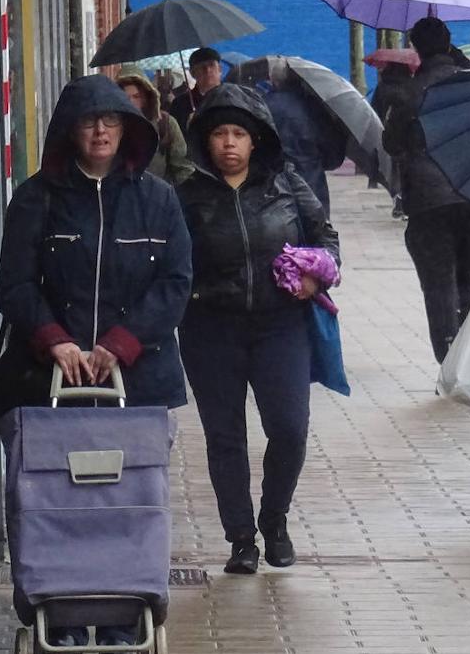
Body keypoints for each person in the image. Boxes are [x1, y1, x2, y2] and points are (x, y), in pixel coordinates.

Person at [0, 74, 193, 648]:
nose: (102, 131)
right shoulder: (37, 198)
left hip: (137, 385)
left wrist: (120, 345)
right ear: (69, 131)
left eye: (112, 121)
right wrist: (56, 339)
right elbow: (14, 285)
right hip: (48, 386)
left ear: (131, 130)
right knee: (51, 504)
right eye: (89, 121)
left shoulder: (158, 200)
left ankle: (120, 612)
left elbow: (175, 284)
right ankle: (55, 609)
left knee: (126, 503)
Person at [176, 83, 340, 575]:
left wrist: (317, 275)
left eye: (239, 134)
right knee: (225, 437)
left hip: (280, 326)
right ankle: (241, 539)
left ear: (256, 140)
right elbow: (168, 263)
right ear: (205, 141)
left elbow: (326, 237)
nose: (229, 143)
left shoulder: (286, 185)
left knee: (289, 429)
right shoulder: (185, 196)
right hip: (211, 330)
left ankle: (274, 520)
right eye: (220, 133)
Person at [380, 17, 470, 363]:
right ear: (449, 44)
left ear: (416, 48)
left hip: (427, 201)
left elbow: (391, 143)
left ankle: (449, 358)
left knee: (438, 286)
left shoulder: (411, 92)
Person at [264, 83, 345, 214]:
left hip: (274, 185)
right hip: (311, 182)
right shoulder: (315, 108)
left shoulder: (263, 104)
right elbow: (333, 151)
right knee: (317, 228)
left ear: (273, 80)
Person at [116, 66, 196, 186]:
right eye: (126, 97)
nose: (131, 102)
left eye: (136, 96)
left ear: (146, 98)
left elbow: (183, 169)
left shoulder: (165, 123)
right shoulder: (108, 128)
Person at [371, 62, 414, 220]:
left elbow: (374, 111)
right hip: (409, 135)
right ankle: (404, 202)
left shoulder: (382, 87)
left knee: (393, 170)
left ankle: (398, 199)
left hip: (387, 134)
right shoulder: (412, 86)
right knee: (407, 169)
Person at [170, 47, 223, 132]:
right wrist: (187, 126)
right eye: (202, 67)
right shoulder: (180, 103)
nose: (208, 70)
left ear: (220, 69)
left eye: (211, 65)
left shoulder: (233, 96)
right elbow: (176, 137)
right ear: (192, 73)